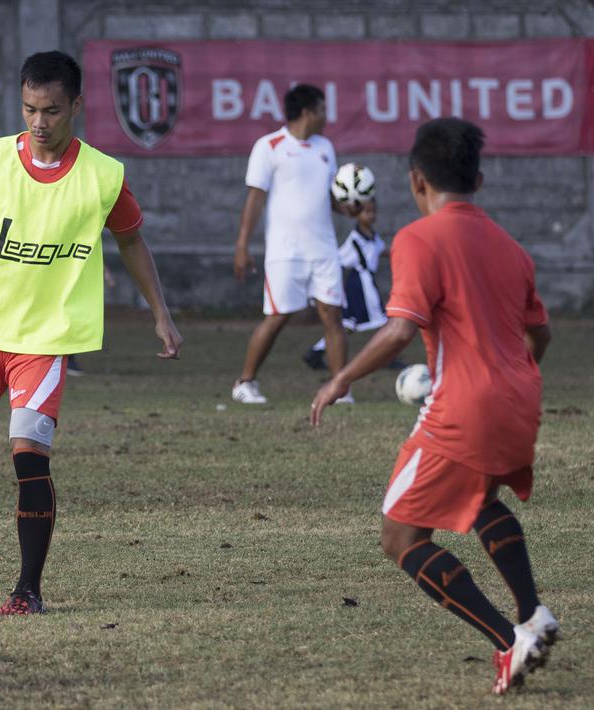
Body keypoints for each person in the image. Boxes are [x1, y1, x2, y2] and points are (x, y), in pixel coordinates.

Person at [0, 51, 181, 616]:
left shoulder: (102, 176)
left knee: (30, 458)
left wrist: (161, 313)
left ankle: (27, 590)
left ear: (76, 106)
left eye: (51, 110)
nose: (38, 121)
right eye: (29, 108)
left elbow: (131, 240)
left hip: (45, 341)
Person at [311, 118, 557, 695]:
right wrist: (507, 379)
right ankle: (533, 614)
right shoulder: (512, 248)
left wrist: (340, 378)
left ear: (416, 180)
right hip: (521, 401)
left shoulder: (418, 239)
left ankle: (509, 641)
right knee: (478, 498)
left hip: (462, 409)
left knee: (401, 539)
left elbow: (400, 330)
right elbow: (540, 334)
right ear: (479, 180)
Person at [232, 83, 358, 404]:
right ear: (307, 112)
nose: (326, 116)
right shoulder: (269, 146)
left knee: (332, 316)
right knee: (278, 317)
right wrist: (242, 245)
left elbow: (329, 196)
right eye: (322, 110)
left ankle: (339, 389)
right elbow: (255, 199)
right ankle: (245, 383)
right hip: (285, 252)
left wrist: (348, 207)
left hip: (324, 250)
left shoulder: (325, 147)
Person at [303, 197, 390, 370]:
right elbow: (338, 259)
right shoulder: (354, 240)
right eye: (367, 212)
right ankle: (387, 357)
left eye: (373, 211)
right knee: (383, 320)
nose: (371, 215)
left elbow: (382, 250)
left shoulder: (373, 237)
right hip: (360, 285)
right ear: (357, 214)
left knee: (348, 324)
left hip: (366, 282)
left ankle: (315, 352)